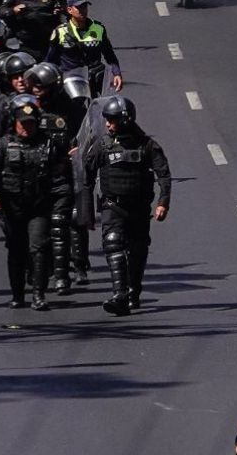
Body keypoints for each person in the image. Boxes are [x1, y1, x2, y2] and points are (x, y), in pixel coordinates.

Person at [81, 95, 170, 316]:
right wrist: (85, 211)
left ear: (125, 120)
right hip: (113, 206)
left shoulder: (148, 145)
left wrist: (163, 203)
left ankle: (133, 293)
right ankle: (119, 295)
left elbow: (164, 175)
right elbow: (87, 175)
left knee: (137, 250)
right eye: (106, 120)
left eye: (112, 120)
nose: (108, 125)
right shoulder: (102, 145)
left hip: (139, 208)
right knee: (113, 244)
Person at [0, 95, 72, 311]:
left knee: (39, 248)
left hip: (38, 206)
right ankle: (17, 295)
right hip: (12, 207)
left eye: (31, 123)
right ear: (15, 123)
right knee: (16, 250)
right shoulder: (3, 145)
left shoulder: (48, 144)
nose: (27, 128)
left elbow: (62, 174)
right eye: (23, 124)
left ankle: (38, 294)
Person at [46, 0, 124, 92]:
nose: (83, 10)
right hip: (70, 82)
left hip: (95, 80)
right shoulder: (60, 32)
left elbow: (109, 55)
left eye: (84, 7)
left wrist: (117, 73)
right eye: (79, 7)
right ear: (70, 10)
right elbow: (50, 59)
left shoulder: (98, 28)